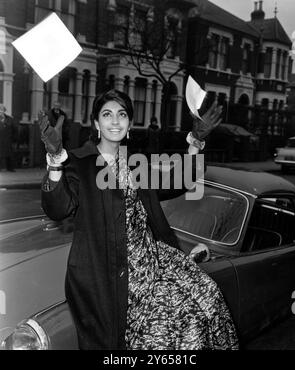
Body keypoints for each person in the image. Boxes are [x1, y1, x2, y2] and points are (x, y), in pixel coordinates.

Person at [39, 89, 238, 350]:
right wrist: (55, 162)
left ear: (129, 124)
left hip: (152, 266)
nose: (115, 121)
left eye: (122, 114)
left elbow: (181, 180)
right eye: (107, 114)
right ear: (97, 124)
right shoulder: (78, 163)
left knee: (206, 301)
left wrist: (196, 141)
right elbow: (58, 208)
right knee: (159, 336)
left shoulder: (136, 164)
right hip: (107, 277)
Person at [0, 104, 15, 171]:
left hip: (8, 139)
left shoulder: (10, 119)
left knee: (9, 153)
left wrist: (13, 138)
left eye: (1, 110)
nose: (0, 111)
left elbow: (14, 130)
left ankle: (10, 168)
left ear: (4, 111)